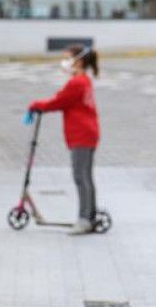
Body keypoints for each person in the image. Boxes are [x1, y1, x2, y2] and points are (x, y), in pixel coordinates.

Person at [27, 45, 101, 234]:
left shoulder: (77, 83)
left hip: (81, 135)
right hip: (87, 133)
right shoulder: (82, 80)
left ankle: (85, 219)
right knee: (86, 177)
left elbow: (58, 102)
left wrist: (35, 105)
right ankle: (90, 214)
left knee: (80, 176)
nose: (65, 62)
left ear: (79, 61)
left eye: (68, 58)